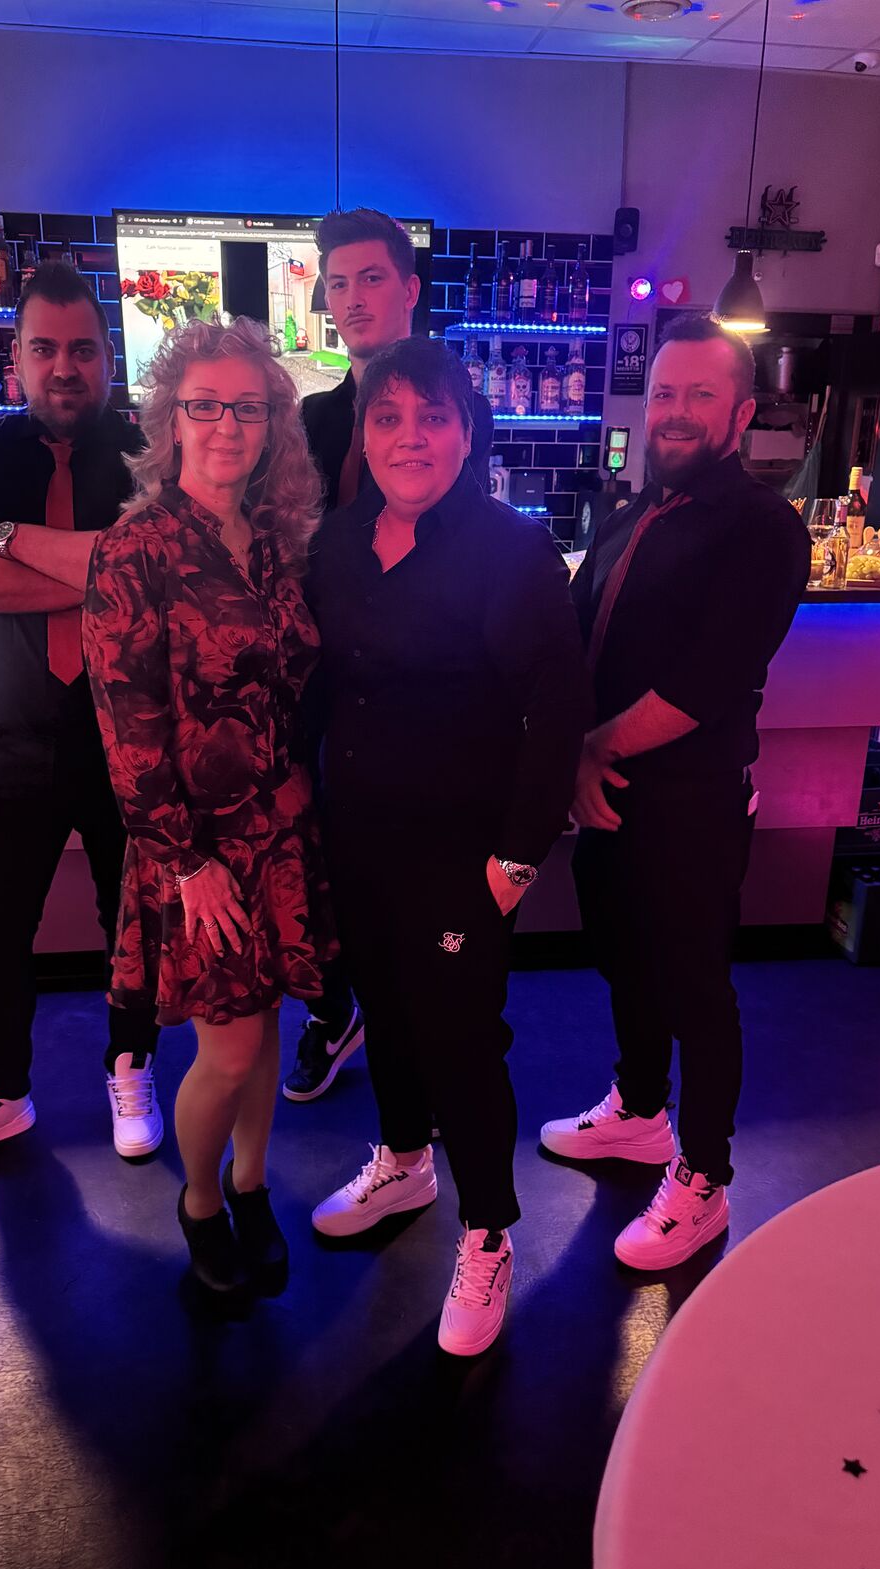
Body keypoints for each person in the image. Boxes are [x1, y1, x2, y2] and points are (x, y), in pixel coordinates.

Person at [305, 338, 586, 1355]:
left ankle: (488, 1231)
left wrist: (516, 861)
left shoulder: (512, 552)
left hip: (463, 855)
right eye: (388, 418)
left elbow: (557, 714)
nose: (409, 437)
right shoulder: (336, 543)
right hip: (357, 836)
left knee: (461, 1040)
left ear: (468, 432)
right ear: (364, 433)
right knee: (385, 1014)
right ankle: (403, 1160)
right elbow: (321, 689)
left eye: (432, 417)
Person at [541, 315, 809, 1270]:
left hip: (690, 802)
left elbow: (707, 682)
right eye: (663, 393)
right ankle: (641, 1109)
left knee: (695, 986)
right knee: (624, 959)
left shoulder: (762, 528)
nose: (676, 411)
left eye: (701, 394)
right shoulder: (630, 513)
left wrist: (589, 751)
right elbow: (576, 634)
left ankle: (703, 1176)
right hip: (608, 797)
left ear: (740, 413)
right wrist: (573, 758)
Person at [82, 316, 332, 1295]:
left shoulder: (271, 543)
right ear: (170, 419)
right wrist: (187, 862)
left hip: (278, 829)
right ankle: (197, 1203)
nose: (228, 424)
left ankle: (250, 1184)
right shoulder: (134, 550)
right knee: (226, 1050)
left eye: (248, 408)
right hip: (195, 847)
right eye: (206, 405)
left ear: (272, 424)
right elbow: (128, 732)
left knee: (262, 1029)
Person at [0, 261, 162, 1174]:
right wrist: (93, 575)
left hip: (126, 741)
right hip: (13, 736)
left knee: (133, 922)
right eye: (45, 348)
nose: (64, 367)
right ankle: (1, 1089)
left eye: (82, 350)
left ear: (108, 359)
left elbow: (152, 573)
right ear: (15, 357)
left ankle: (132, 1066)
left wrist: (9, 542)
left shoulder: (147, 455)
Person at [282, 206, 496, 1105]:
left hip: (426, 687)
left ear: (409, 287)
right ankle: (337, 1013)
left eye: (371, 278)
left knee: (426, 892)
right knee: (326, 863)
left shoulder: (453, 404)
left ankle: (431, 1045)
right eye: (337, 283)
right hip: (327, 675)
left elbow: (462, 541)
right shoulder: (312, 417)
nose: (353, 298)